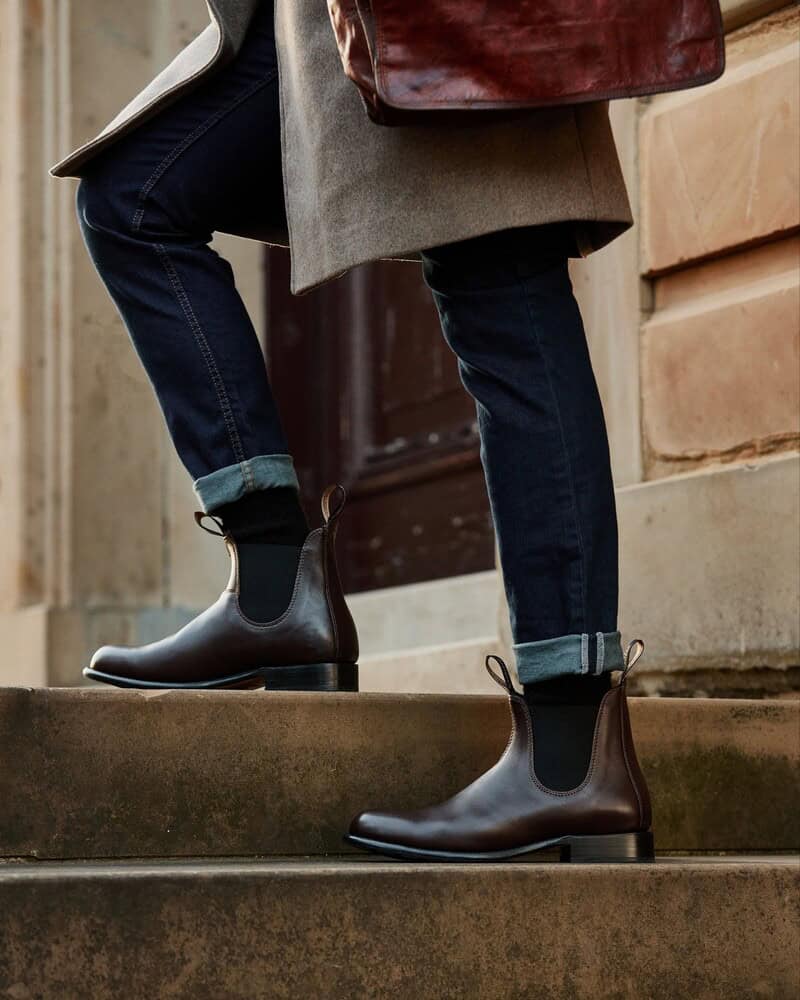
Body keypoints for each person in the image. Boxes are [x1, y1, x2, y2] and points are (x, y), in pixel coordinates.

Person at [51, 0, 653, 861]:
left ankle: (569, 756)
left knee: (500, 277)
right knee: (134, 195)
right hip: (326, 24)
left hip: (462, 15)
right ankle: (271, 586)